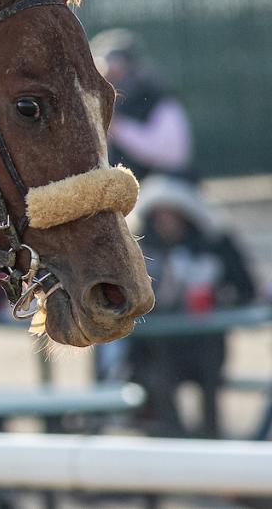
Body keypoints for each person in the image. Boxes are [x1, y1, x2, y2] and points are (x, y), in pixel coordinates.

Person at [121, 175, 256, 437]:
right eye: (161, 216)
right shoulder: (142, 252)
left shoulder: (212, 249)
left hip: (204, 346)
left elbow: (245, 289)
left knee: (209, 381)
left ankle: (211, 439)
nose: (166, 223)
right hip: (156, 350)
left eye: (172, 216)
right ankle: (173, 441)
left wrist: (219, 298)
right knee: (158, 380)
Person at [90, 28, 192, 181]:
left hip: (163, 185)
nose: (110, 79)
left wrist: (118, 127)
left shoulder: (158, 100)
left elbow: (172, 155)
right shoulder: (94, 106)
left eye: (116, 71)